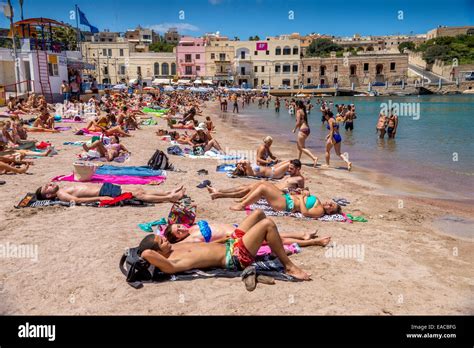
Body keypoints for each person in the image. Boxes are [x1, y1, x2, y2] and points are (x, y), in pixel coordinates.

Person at [139, 210, 311, 280]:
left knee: (258, 214)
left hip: (230, 244)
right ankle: (289, 267)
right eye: (162, 241)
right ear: (157, 253)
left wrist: (225, 239)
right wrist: (145, 252)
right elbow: (147, 254)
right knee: (268, 224)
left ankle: (275, 249)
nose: (165, 239)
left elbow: (206, 247)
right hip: (235, 257)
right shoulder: (171, 263)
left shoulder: (175, 247)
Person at [164, 209, 331, 247]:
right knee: (274, 239)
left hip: (237, 228)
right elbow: (207, 246)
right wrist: (224, 240)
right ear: (177, 238)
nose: (181, 229)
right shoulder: (190, 239)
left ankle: (303, 234)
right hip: (237, 237)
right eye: (178, 232)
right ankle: (313, 242)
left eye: (178, 226)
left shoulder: (191, 227)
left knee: (272, 233)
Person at [230, 182, 341, 218]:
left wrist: (302, 197)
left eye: (331, 206)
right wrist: (297, 192)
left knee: (263, 188)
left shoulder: (320, 211)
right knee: (264, 183)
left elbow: (305, 213)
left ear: (330, 212)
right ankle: (244, 199)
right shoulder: (318, 201)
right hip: (286, 197)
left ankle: (242, 205)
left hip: (286, 204)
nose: (329, 203)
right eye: (331, 202)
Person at [208, 159, 304, 200]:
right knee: (245, 186)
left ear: (298, 169)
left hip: (275, 192)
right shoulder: (289, 175)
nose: (288, 170)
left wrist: (294, 191)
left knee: (247, 190)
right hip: (271, 186)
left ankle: (219, 195)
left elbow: (300, 193)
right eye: (289, 168)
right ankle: (219, 191)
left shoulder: (299, 179)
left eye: (291, 168)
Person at [35, 182, 185, 204]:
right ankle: (169, 197)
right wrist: (100, 197)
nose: (49, 184)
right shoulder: (61, 194)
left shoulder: (61, 188)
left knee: (138, 189)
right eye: (46, 188)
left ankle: (167, 191)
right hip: (103, 191)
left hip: (104, 187)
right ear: (48, 195)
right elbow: (76, 200)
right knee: (138, 195)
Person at [292, 100, 318, 167]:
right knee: (299, 146)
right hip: (307, 129)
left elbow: (298, 122)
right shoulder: (303, 111)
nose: (294, 106)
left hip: (302, 130)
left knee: (302, 148)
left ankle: (314, 158)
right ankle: (297, 161)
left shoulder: (298, 111)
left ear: (297, 106)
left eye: (295, 105)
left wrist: (294, 129)